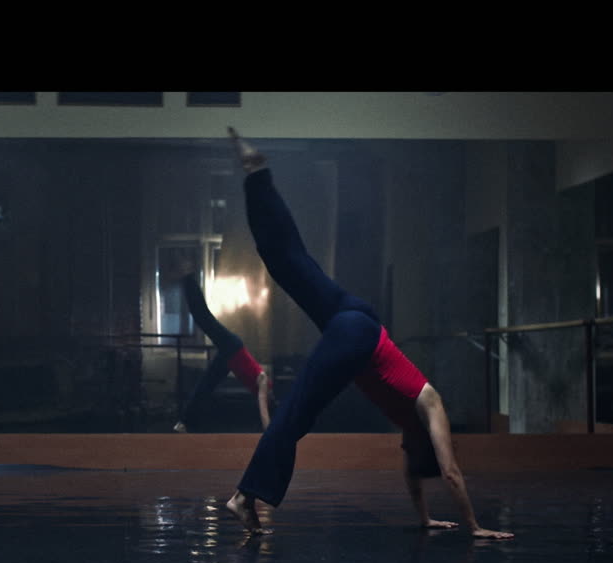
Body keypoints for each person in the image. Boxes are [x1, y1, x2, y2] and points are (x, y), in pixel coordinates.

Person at [223, 128, 513, 540]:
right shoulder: (431, 407)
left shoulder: (413, 431)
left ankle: (257, 175)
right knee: (296, 414)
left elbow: (419, 476)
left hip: (354, 321)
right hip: (358, 335)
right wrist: (475, 526)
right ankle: (244, 497)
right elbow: (449, 470)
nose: (407, 453)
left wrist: (426, 519)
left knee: (289, 262)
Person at [173, 271, 273, 433]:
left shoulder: (263, 389)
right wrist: (270, 433)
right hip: (233, 348)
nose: (266, 400)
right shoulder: (263, 383)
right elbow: (264, 412)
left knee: (205, 386)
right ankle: (188, 278)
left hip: (230, 359)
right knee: (203, 318)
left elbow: (264, 409)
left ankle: (185, 423)